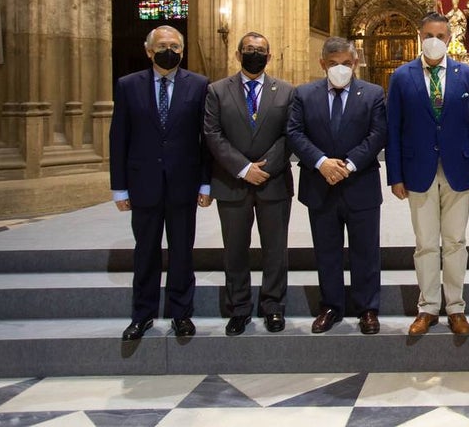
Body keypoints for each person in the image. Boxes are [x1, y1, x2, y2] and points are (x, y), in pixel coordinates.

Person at [387, 12, 469, 336]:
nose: (434, 40)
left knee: (456, 241)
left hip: (459, 169)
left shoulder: (466, 75)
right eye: (429, 34)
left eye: (440, 35)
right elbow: (393, 129)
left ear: (449, 39)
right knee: (426, 243)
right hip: (418, 171)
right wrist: (395, 176)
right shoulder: (402, 77)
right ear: (420, 36)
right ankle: (428, 307)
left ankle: (456, 308)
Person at [110, 25, 212, 341]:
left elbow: (205, 139)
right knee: (146, 252)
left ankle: (181, 314)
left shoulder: (199, 85)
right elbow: (119, 137)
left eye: (175, 46)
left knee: (182, 251)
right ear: (149, 50)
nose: (169, 50)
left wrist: (205, 184)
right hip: (144, 183)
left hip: (184, 182)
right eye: (162, 45)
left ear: (182, 51)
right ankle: (143, 314)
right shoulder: (128, 85)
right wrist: (119, 187)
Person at [287, 37, 387, 335]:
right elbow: (294, 132)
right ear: (323, 64)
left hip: (361, 182)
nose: (340, 68)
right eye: (333, 64)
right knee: (326, 250)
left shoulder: (372, 93)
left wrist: (349, 164)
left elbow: (378, 133)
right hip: (320, 185)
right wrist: (322, 163)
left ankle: (367, 308)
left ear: (355, 63)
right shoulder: (304, 94)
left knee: (366, 250)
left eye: (346, 63)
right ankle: (330, 305)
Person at [203, 32, 296, 335]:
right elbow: (212, 135)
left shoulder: (286, 91)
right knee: (235, 250)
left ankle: (273, 307)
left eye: (260, 51)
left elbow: (290, 134)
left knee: (275, 249)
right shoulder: (217, 91)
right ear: (238, 54)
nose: (254, 54)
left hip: (274, 180)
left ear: (269, 57)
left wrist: (264, 168)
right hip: (232, 182)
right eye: (249, 49)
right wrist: (243, 168)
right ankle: (239, 308)